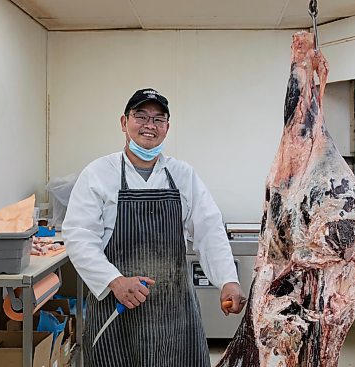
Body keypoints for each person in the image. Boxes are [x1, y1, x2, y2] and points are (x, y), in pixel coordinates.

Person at [63, 88, 246, 367]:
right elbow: (78, 236)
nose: (150, 125)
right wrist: (115, 281)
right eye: (141, 116)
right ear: (124, 123)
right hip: (118, 308)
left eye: (159, 119)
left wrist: (227, 280)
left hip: (175, 312)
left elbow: (209, 229)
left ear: (167, 128)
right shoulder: (99, 174)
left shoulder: (183, 175)